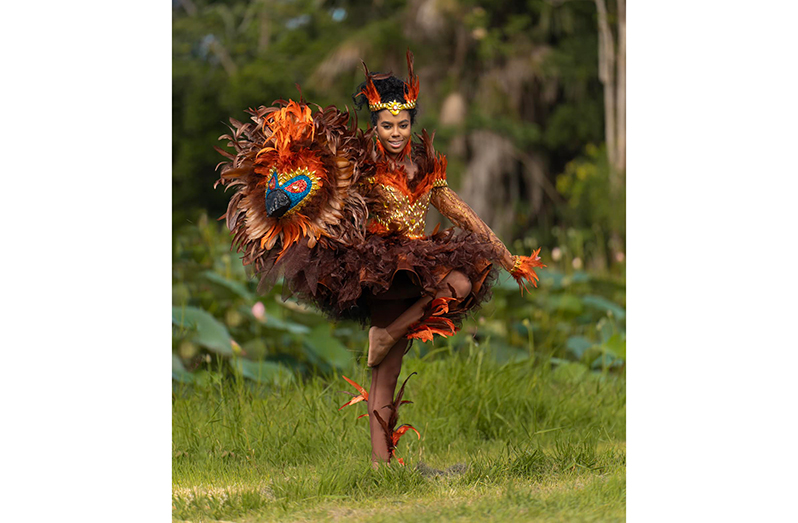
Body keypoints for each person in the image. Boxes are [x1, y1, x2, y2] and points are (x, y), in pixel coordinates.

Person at [215, 50, 544, 469]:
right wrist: (288, 194)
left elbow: (464, 215)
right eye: (386, 125)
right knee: (385, 374)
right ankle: (380, 465)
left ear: (412, 124)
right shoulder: (363, 168)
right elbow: (316, 187)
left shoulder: (424, 170)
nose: (395, 132)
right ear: (375, 127)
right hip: (381, 269)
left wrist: (507, 257)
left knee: (459, 285)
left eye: (402, 125)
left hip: (422, 267)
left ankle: (387, 348)